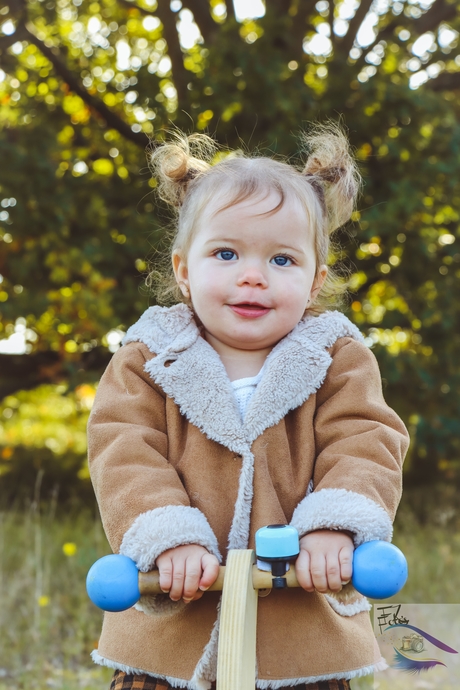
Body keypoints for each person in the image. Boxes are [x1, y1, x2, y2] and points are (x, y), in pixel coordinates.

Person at [87, 122, 409, 690]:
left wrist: (333, 526)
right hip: (174, 632)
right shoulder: (147, 360)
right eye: (227, 253)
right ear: (185, 270)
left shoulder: (338, 359)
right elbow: (123, 449)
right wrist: (169, 535)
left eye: (283, 260)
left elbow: (366, 439)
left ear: (315, 283)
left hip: (298, 633)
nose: (253, 276)